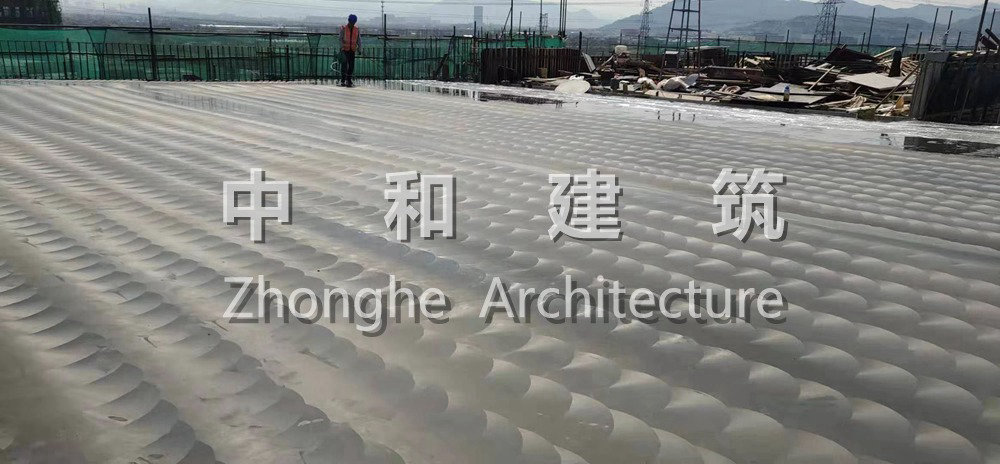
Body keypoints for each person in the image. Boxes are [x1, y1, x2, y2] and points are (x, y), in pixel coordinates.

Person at [340, 14, 360, 87]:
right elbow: (340, 39)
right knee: (344, 65)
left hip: (352, 50)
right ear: (349, 21)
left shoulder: (356, 29)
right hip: (345, 50)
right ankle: (343, 80)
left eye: (353, 22)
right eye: (351, 22)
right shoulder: (344, 29)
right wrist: (341, 47)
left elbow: (358, 40)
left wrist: (359, 49)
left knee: (351, 66)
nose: (352, 24)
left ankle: (349, 80)